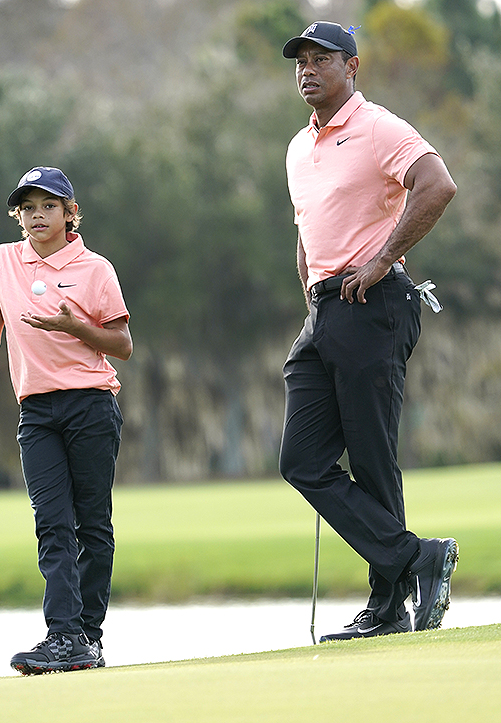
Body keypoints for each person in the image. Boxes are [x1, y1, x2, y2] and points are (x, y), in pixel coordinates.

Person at [278, 22, 458, 641]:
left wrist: (382, 260)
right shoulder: (297, 148)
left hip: (375, 301)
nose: (307, 68)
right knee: (301, 459)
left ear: (351, 66)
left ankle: (387, 606)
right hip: (325, 311)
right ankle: (416, 559)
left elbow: (437, 185)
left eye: (320, 58)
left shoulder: (378, 126)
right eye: (300, 60)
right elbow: (308, 227)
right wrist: (308, 282)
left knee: (374, 455)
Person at [0, 166, 132, 672]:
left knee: (93, 525)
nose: (36, 215)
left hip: (90, 403)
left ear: (71, 213)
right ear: (17, 215)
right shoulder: (2, 260)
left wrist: (76, 326)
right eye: (27, 207)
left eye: (48, 206)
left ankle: (87, 635)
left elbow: (123, 346)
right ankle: (63, 635)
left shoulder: (95, 268)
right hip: (36, 411)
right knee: (52, 524)